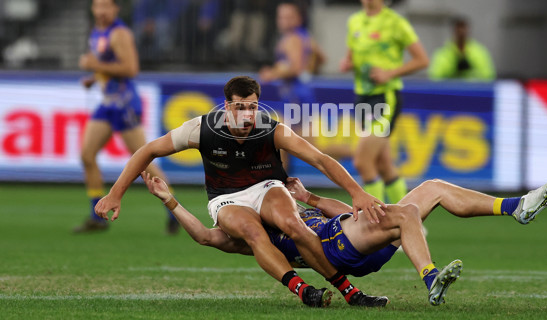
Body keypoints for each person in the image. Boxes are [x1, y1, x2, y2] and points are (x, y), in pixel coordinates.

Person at [95, 76, 389, 308]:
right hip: (226, 198)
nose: (247, 115)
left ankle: (349, 292)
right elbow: (147, 150)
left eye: (252, 107)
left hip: (266, 187)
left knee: (293, 225)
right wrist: (115, 194)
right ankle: (303, 291)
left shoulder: (272, 129)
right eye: (240, 108)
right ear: (226, 106)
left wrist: (357, 192)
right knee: (252, 231)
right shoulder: (201, 129)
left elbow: (321, 160)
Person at [141, 170, 547, 306]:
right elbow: (205, 236)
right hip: (336, 250)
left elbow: (344, 213)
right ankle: (431, 277)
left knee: (429, 189)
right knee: (410, 211)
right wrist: (170, 201)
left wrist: (310, 196)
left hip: (353, 240)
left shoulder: (295, 207)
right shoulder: (254, 228)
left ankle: (515, 207)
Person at [76, 0, 179, 235]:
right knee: (87, 154)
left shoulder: (119, 33)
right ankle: (96, 215)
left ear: (115, 9)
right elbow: (109, 65)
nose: (101, 10)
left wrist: (94, 65)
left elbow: (130, 68)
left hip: (124, 104)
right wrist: (94, 77)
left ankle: (173, 209)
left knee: (144, 160)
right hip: (108, 102)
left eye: (106, 6)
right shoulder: (98, 31)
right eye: (97, 5)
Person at [340, 0, 430, 204]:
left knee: (362, 161)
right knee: (384, 164)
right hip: (362, 97)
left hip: (385, 97)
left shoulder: (395, 23)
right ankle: (410, 220)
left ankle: (376, 225)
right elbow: (352, 55)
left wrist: (389, 73)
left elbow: (422, 59)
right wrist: (348, 63)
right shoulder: (354, 22)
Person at [259, 2, 325, 106]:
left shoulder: (293, 39)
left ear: (299, 18)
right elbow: (321, 57)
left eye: (289, 17)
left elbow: (296, 68)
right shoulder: (304, 36)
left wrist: (272, 74)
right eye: (281, 17)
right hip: (298, 91)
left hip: (297, 93)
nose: (284, 21)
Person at [429, 17, 496, 81]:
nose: (461, 32)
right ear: (453, 30)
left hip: (473, 90)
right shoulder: (442, 53)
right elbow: (435, 76)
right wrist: (453, 70)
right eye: (458, 28)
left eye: (463, 28)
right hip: (450, 91)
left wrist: (470, 71)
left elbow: (488, 76)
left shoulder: (480, 52)